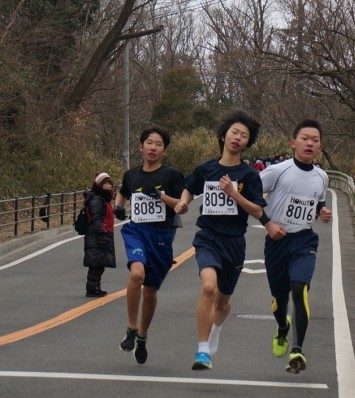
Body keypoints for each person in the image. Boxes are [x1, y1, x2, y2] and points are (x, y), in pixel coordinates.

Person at [175, 110, 267, 371]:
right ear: (223, 135)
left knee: (223, 302)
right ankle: (203, 350)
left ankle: (215, 331)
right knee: (208, 288)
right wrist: (182, 203)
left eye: (244, 136)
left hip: (234, 242)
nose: (238, 138)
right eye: (234, 132)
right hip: (207, 238)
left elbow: (259, 211)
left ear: (248, 143)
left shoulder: (249, 175)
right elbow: (189, 188)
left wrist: (234, 195)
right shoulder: (207, 168)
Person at [259, 119, 332, 374]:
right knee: (280, 299)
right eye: (305, 138)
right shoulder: (278, 171)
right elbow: (251, 196)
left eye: (314, 140)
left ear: (319, 146)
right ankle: (282, 328)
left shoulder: (322, 176)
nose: (310, 143)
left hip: (304, 240)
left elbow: (318, 203)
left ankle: (297, 348)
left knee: (299, 287)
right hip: (277, 243)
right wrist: (268, 223)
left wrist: (323, 212)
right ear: (293, 143)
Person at [113, 127, 184, 365]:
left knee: (151, 292)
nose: (153, 147)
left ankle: (142, 337)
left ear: (164, 150)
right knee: (137, 274)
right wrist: (119, 206)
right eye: (149, 143)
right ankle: (132, 327)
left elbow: (182, 205)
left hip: (161, 237)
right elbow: (122, 193)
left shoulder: (171, 174)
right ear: (140, 147)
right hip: (137, 231)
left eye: (159, 144)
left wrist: (162, 197)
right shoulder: (131, 175)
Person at [83, 172, 116, 297]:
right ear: (99, 185)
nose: (108, 186)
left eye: (109, 183)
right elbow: (96, 218)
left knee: (100, 263)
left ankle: (96, 287)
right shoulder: (97, 199)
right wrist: (101, 233)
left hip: (103, 234)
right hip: (97, 235)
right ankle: (91, 289)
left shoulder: (103, 199)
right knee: (96, 263)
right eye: (105, 183)